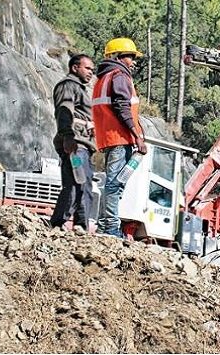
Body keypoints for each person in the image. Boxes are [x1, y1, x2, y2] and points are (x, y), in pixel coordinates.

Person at [92, 38, 147, 238]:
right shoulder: (119, 75)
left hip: (109, 138)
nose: (132, 61)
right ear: (117, 56)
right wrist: (137, 136)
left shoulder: (102, 78)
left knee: (113, 183)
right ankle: (111, 229)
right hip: (120, 138)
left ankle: (105, 225)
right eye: (130, 56)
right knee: (115, 184)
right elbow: (122, 108)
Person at [50, 54, 96, 232]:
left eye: (92, 69)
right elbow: (64, 111)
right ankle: (59, 222)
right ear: (74, 68)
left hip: (83, 145)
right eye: (87, 68)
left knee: (84, 183)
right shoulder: (68, 86)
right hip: (75, 145)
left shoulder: (81, 89)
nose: (91, 72)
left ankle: (80, 224)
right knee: (76, 182)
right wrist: (68, 136)